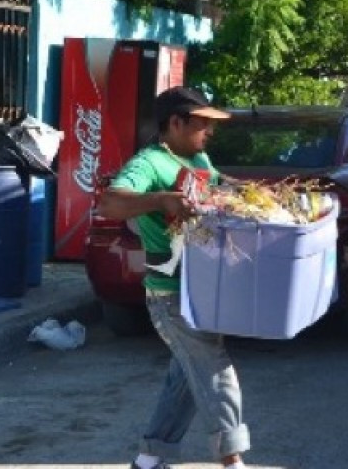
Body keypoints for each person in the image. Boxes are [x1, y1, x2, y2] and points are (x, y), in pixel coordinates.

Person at [96, 86, 249, 469]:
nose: (209, 133)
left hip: (201, 290)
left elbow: (213, 186)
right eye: (202, 125)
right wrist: (160, 199)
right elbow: (111, 202)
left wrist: (240, 190)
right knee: (215, 370)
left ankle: (150, 459)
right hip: (170, 295)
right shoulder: (148, 163)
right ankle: (233, 460)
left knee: (187, 375)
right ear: (175, 123)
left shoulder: (197, 157)